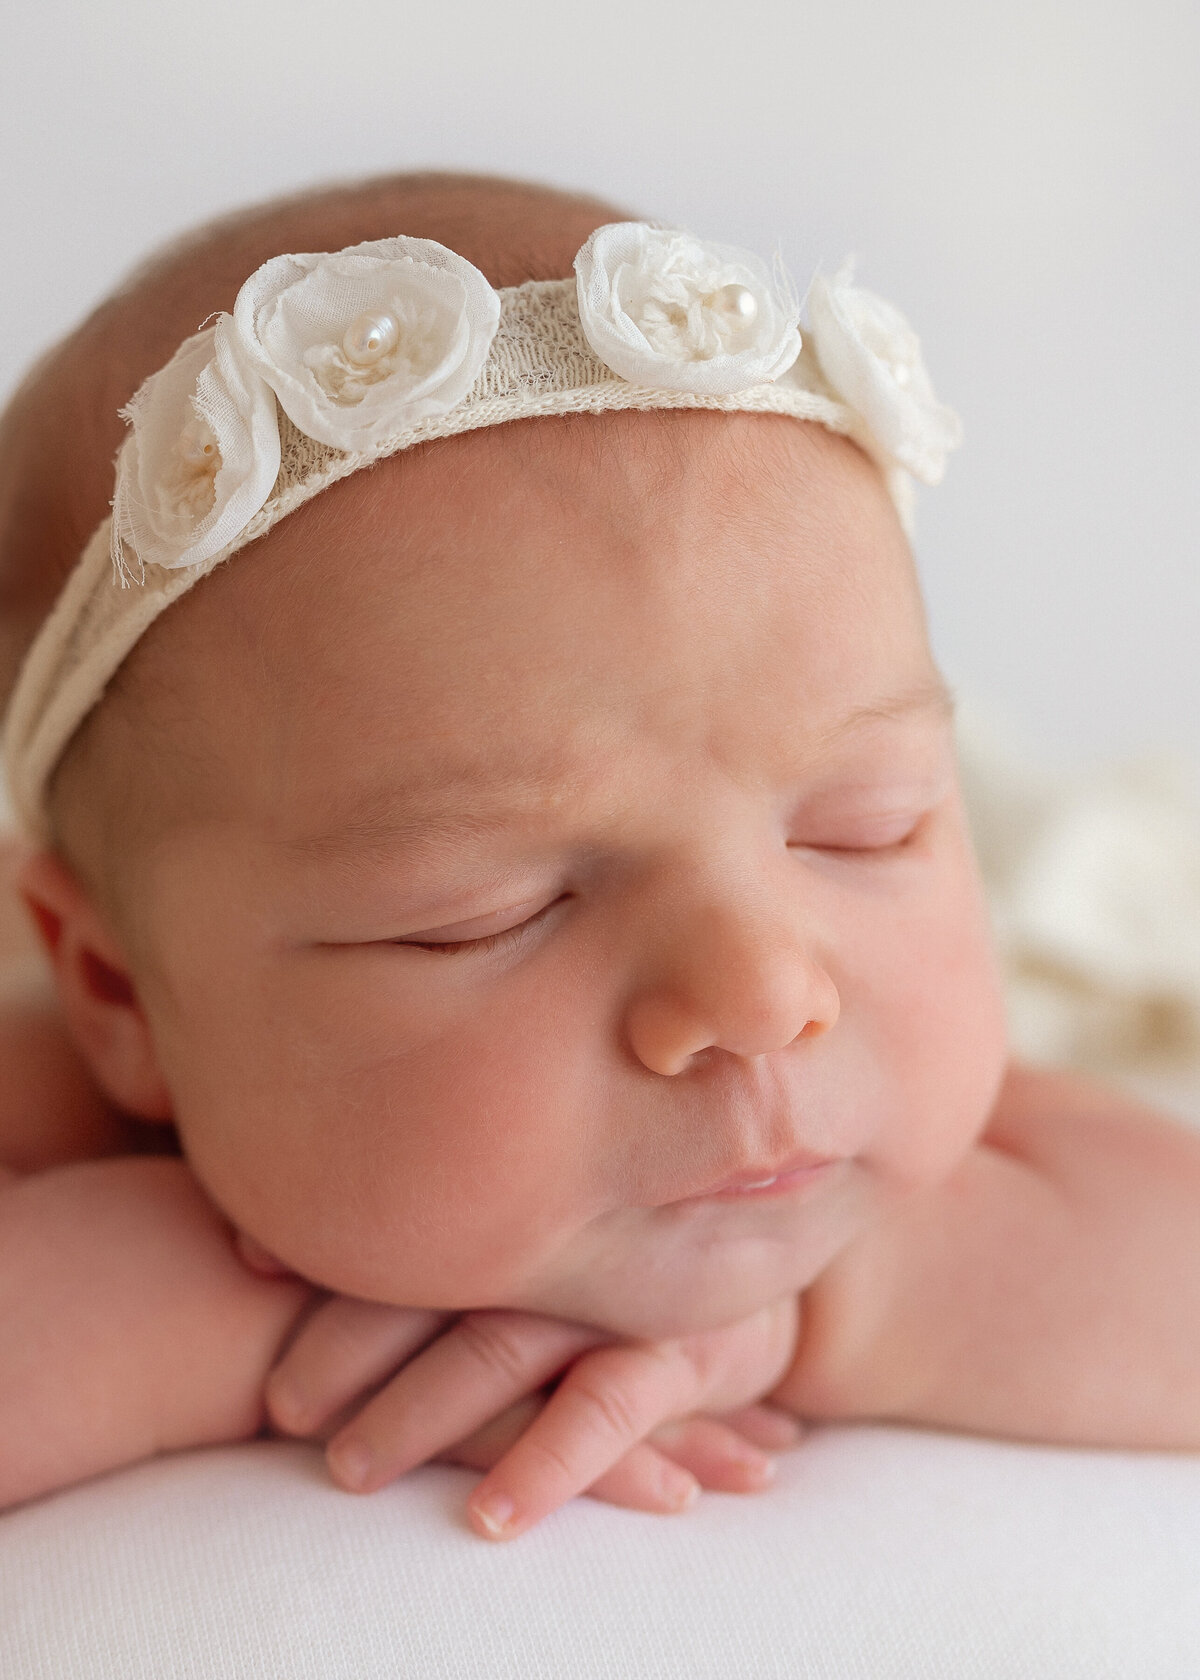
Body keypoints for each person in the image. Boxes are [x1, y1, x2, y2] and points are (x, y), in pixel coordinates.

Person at [1, 172, 1198, 1546]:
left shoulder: (928, 1119)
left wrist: (817, 1309)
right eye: (486, 914)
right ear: (116, 989)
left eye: (867, 827)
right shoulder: (48, 1092)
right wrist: (224, 1311)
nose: (763, 992)